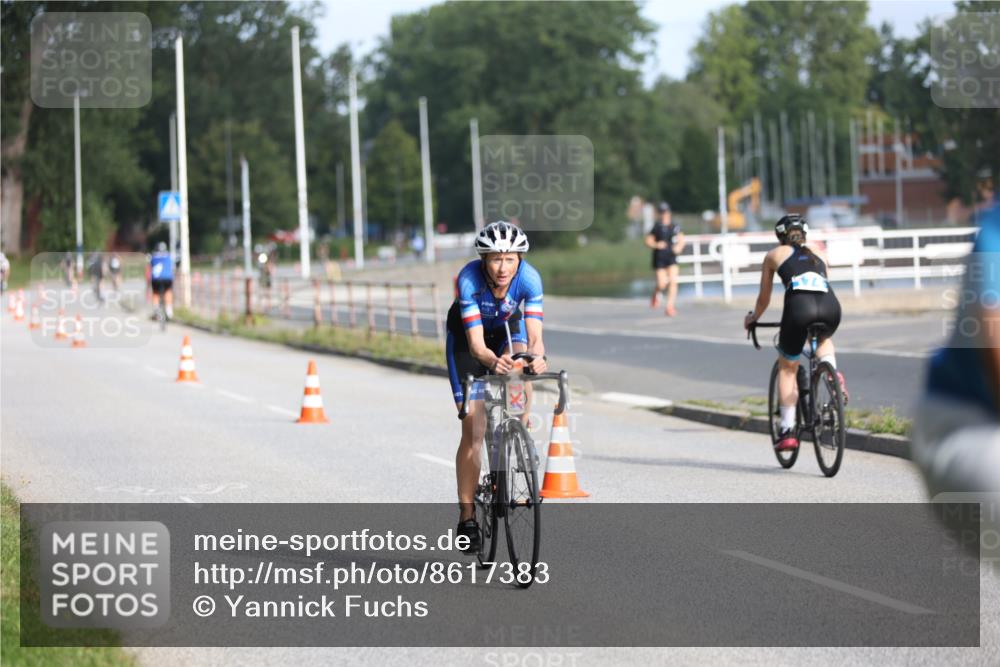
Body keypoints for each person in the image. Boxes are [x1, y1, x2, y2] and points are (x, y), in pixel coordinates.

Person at [447, 221, 547, 552]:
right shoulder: (469, 280)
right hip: (467, 339)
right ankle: (467, 516)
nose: (503, 268)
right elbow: (477, 346)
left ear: (519, 259)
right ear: (484, 259)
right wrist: (492, 363)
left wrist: (535, 357)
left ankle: (519, 429)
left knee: (518, 368)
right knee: (473, 430)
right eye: (495, 259)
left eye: (510, 259)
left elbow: (534, 336)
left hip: (506, 327)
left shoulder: (530, 279)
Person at [912, 199, 1000, 497]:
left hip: (803, 317)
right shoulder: (995, 227)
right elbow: (992, 330)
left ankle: (790, 422)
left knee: (792, 361)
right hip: (972, 423)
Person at [744, 214, 848, 452]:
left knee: (787, 368)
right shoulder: (818, 254)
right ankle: (831, 372)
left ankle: (788, 430)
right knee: (823, 337)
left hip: (799, 309)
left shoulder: (773, 255)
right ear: (804, 234)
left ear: (780, 235)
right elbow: (823, 285)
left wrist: (753, 319)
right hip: (831, 308)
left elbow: (764, 299)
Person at [645, 201, 685, 316]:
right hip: (660, 258)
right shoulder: (656, 227)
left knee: (673, 281)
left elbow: (681, 238)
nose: (664, 214)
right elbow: (648, 241)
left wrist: (678, 247)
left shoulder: (674, 226)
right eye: (662, 212)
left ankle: (670, 306)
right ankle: (655, 294)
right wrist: (656, 245)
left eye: (665, 212)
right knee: (662, 284)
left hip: (671, 257)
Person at [150, 242, 174, 319]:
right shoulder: (169, 256)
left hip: (156, 279)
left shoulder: (153, 256)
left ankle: (156, 310)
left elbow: (150, 267)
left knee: (155, 293)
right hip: (167, 278)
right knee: (168, 291)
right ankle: (169, 311)